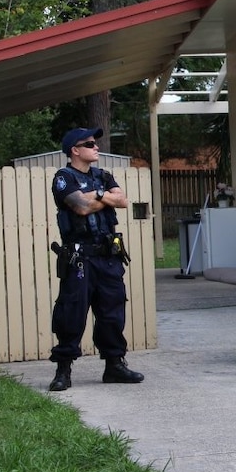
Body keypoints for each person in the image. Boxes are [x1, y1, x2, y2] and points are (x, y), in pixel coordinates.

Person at [48, 127, 144, 391]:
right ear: (74, 151)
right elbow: (80, 206)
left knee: (112, 312)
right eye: (89, 143)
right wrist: (103, 196)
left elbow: (123, 201)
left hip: (108, 257)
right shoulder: (63, 177)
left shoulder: (103, 175)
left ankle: (114, 365)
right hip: (79, 257)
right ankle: (63, 370)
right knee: (72, 312)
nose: (96, 146)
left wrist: (98, 195)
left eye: (95, 142)